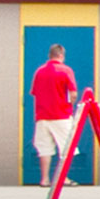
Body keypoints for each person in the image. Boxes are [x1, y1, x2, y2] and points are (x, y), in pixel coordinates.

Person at [29, 43, 79, 185]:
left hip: (42, 116)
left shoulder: (39, 71)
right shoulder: (66, 70)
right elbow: (73, 94)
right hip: (61, 115)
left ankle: (44, 179)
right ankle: (63, 178)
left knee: (44, 148)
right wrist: (70, 105)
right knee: (67, 147)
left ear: (49, 55)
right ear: (61, 55)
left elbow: (35, 92)